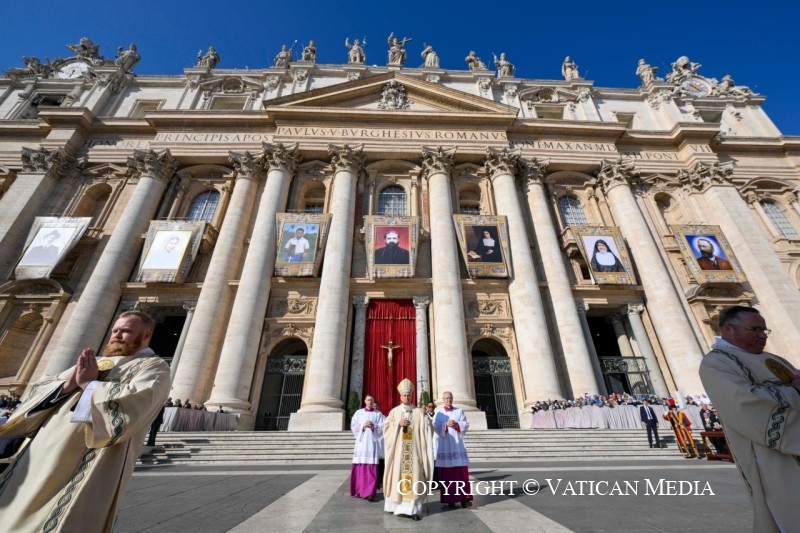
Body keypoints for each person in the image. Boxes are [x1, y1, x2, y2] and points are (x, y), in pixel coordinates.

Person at [0, 310, 170, 532]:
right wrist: (68, 386)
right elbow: (39, 390)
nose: (117, 336)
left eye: (126, 331)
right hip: (43, 449)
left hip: (89, 455)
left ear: (147, 335)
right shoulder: (94, 361)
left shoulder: (154, 367)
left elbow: (136, 404)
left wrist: (89, 385)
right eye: (115, 330)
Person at [699, 305, 800, 531]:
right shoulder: (717, 363)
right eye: (754, 329)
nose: (762, 335)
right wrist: (794, 391)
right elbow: (744, 404)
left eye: (764, 330)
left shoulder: (774, 359)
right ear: (728, 329)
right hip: (769, 454)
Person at [383, 378, 434, 521]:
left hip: (414, 453)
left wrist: (425, 417)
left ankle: (413, 510)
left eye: (409, 395)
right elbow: (386, 430)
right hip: (400, 454)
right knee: (398, 477)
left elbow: (428, 429)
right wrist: (397, 424)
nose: (407, 397)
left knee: (416, 478)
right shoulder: (394, 412)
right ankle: (397, 508)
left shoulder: (418, 411)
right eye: (404, 395)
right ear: (400, 396)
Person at [433, 392, 472, 508]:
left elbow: (466, 424)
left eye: (450, 398)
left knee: (462, 474)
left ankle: (465, 498)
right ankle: (450, 499)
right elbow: (435, 426)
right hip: (445, 445)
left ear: (452, 399)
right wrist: (445, 425)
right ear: (443, 399)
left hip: (457, 446)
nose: (448, 400)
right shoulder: (438, 412)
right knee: (448, 475)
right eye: (446, 398)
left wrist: (457, 425)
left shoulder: (459, 411)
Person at [350, 394, 385, 501]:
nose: (370, 402)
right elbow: (353, 426)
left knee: (371, 468)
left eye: (372, 400)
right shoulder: (359, 413)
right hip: (361, 444)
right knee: (360, 466)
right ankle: (359, 490)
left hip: (371, 444)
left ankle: (370, 492)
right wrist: (363, 426)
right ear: (365, 401)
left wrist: (374, 426)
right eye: (368, 400)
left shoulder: (378, 414)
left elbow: (384, 427)